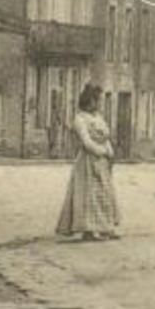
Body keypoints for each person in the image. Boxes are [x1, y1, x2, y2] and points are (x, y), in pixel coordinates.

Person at [55, 83, 120, 241]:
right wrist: (101, 151)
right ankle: (88, 230)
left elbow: (105, 138)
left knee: (104, 194)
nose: (99, 105)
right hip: (87, 162)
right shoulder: (80, 118)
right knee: (88, 195)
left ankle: (106, 228)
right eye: (98, 101)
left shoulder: (98, 118)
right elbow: (86, 141)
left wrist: (110, 153)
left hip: (102, 162)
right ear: (90, 101)